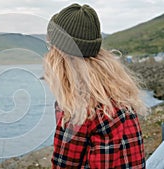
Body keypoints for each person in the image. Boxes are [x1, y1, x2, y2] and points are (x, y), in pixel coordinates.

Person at [43, 3, 147, 169]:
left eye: (50, 46)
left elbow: (63, 165)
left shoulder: (79, 108)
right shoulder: (118, 94)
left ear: (60, 54)